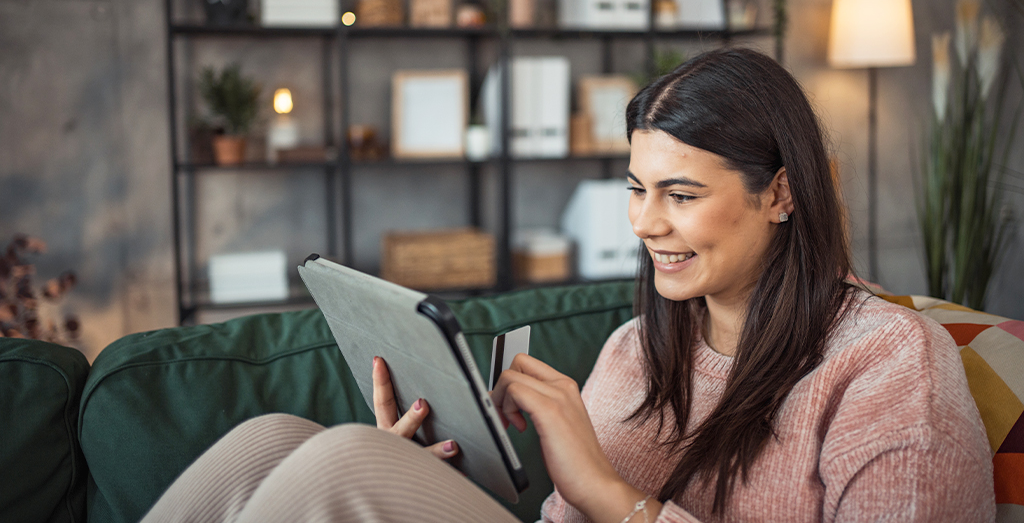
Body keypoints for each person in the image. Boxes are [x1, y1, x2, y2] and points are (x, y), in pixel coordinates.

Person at [142, 48, 994, 523]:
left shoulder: (888, 366)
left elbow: (599, 505)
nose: (644, 223)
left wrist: (619, 501)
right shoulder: (636, 346)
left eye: (681, 195)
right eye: (635, 187)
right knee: (274, 440)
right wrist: (428, 468)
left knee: (338, 464)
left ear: (780, 193)